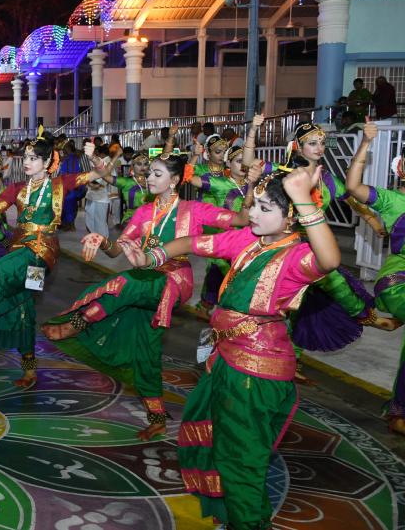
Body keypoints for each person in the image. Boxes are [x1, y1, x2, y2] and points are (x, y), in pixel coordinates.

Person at [122, 166, 339, 530]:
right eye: (254, 205)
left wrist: (303, 197)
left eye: (265, 208)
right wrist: (152, 258)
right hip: (227, 359)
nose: (252, 213)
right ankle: (233, 516)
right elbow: (192, 243)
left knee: (241, 462)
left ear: (290, 218)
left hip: (255, 373)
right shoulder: (249, 241)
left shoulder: (296, 257)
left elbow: (330, 260)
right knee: (220, 444)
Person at [42, 151, 253, 441]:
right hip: (145, 281)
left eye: (156, 173)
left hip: (174, 279)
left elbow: (241, 218)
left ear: (175, 180)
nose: (148, 177)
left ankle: (79, 322)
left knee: (124, 282)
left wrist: (251, 187)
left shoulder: (195, 209)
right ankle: (156, 416)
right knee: (147, 351)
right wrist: (101, 240)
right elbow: (118, 249)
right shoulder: (143, 213)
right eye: (149, 172)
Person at [0, 131, 108, 388]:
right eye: (25, 157)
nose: (26, 162)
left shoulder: (61, 184)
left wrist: (95, 159)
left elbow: (99, 175)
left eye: (33, 158)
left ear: (47, 163)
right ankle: (29, 369)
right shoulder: (17, 189)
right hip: (20, 250)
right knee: (24, 308)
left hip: (41, 255)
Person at [241, 121, 395, 350]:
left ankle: (366, 318)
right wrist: (253, 130)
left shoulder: (328, 180)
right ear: (298, 147)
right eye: (312, 143)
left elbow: (352, 197)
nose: (319, 147)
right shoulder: (284, 173)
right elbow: (247, 162)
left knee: (330, 287)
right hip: (285, 245)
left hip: (315, 246)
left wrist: (372, 220)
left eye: (322, 143)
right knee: (288, 301)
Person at [343, 122, 405, 435]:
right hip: (397, 281)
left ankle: (400, 409)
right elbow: (352, 187)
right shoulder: (394, 201)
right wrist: (366, 143)